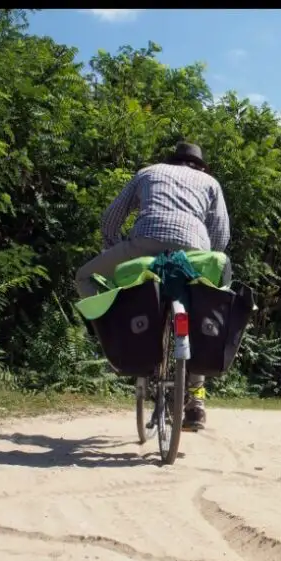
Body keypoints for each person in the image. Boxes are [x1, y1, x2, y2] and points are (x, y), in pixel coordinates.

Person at [75, 142, 231, 430]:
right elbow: (221, 235)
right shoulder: (210, 182)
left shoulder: (148, 173)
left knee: (83, 277)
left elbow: (110, 220)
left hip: (142, 247)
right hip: (194, 253)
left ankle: (112, 338)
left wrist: (118, 251)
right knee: (201, 312)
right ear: (200, 166)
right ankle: (196, 403)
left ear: (171, 161)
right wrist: (203, 262)